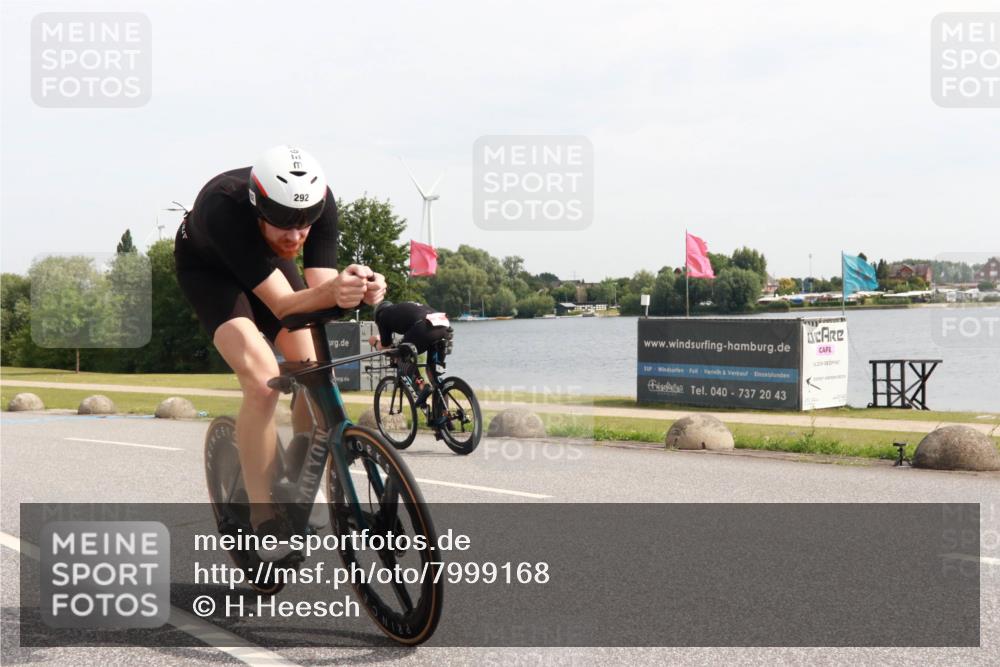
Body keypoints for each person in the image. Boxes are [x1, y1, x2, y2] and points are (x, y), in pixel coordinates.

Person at [175, 145, 386, 559]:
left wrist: (363, 288)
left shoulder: (317, 202)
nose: (295, 236)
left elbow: (322, 288)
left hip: (265, 260)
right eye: (283, 225)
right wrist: (334, 291)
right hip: (210, 271)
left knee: (313, 366)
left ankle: (299, 473)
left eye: (304, 226)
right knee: (262, 382)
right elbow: (285, 306)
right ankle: (263, 518)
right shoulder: (223, 207)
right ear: (259, 207)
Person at [369, 301, 451, 406]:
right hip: (443, 325)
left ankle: (421, 386)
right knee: (433, 373)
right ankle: (444, 413)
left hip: (424, 327)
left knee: (400, 357)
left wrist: (375, 342)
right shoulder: (404, 308)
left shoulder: (383, 315)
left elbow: (386, 347)